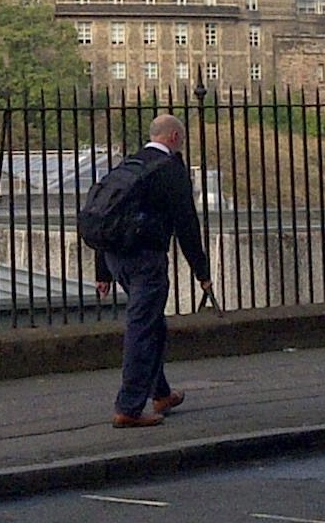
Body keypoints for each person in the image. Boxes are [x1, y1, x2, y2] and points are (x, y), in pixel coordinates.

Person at [95, 113, 212, 428]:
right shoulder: (170, 170)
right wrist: (201, 271)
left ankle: (160, 393)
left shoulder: (129, 165)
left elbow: (106, 214)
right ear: (174, 138)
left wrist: (102, 271)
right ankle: (129, 407)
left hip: (116, 258)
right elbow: (187, 225)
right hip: (146, 258)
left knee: (152, 324)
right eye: (181, 140)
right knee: (143, 328)